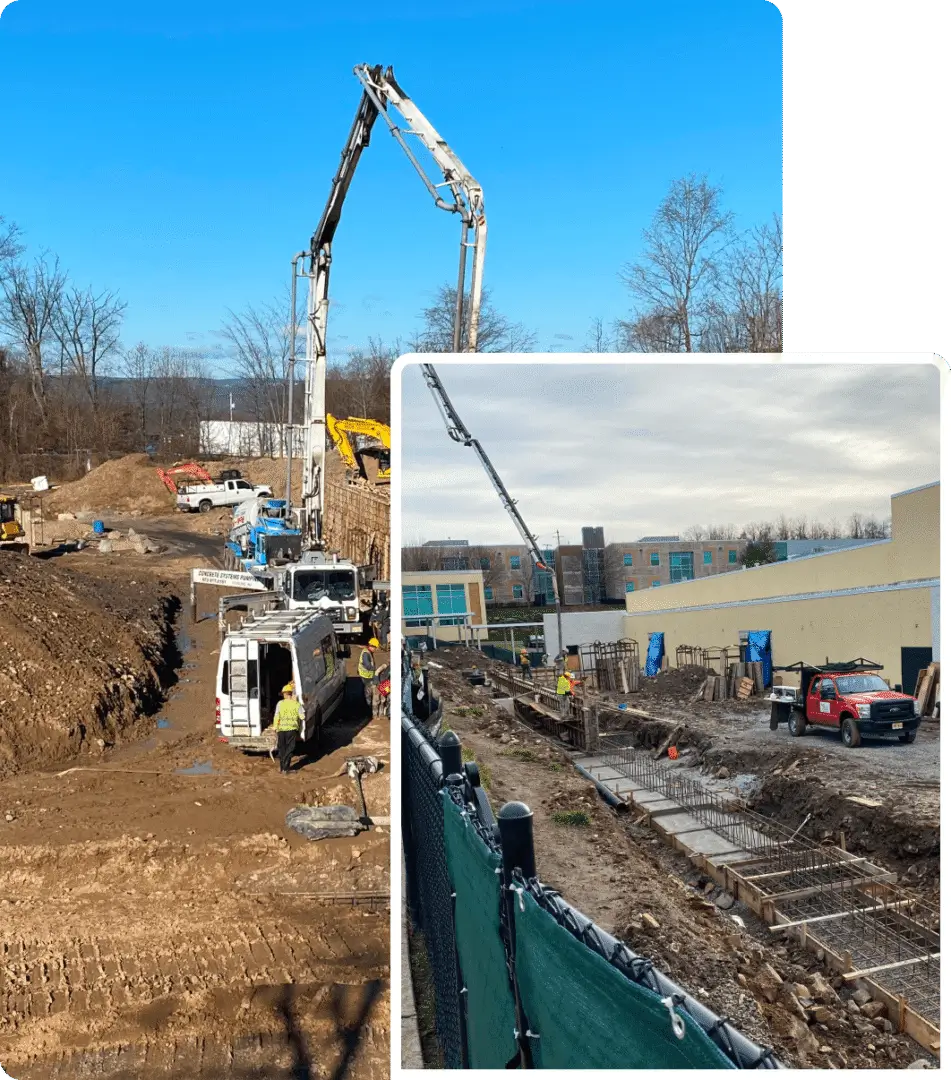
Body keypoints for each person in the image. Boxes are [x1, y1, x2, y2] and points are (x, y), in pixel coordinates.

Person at [273, 682, 304, 775]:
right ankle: (286, 769)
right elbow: (302, 717)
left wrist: (275, 727)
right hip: (291, 730)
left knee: (282, 749)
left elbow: (276, 716)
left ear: (285, 694)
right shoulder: (297, 704)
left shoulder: (280, 703)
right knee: (290, 749)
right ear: (291, 693)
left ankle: (282, 768)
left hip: (281, 730)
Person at [358, 638, 387, 716]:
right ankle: (369, 708)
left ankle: (372, 709)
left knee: (372, 691)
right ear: (372, 646)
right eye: (375, 647)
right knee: (369, 692)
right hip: (366, 676)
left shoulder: (368, 652)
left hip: (368, 675)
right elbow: (368, 666)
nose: (376, 649)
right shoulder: (366, 654)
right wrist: (377, 669)